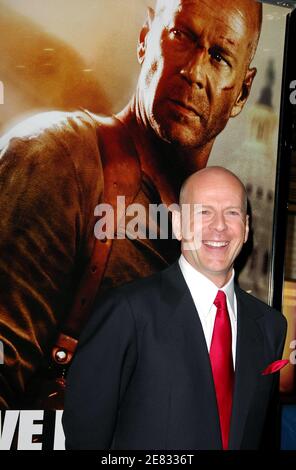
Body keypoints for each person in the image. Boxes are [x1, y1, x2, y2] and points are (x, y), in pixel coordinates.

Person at [0, 0, 263, 409]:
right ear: (145, 38)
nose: (193, 72)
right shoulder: (57, 158)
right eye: (181, 35)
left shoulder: (217, 240)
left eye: (219, 56)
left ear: (242, 91)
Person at [63, 167, 287, 450]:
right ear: (179, 224)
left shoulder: (269, 326)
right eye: (204, 212)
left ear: (245, 228)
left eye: (231, 212)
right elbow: (86, 436)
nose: (219, 226)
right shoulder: (127, 311)